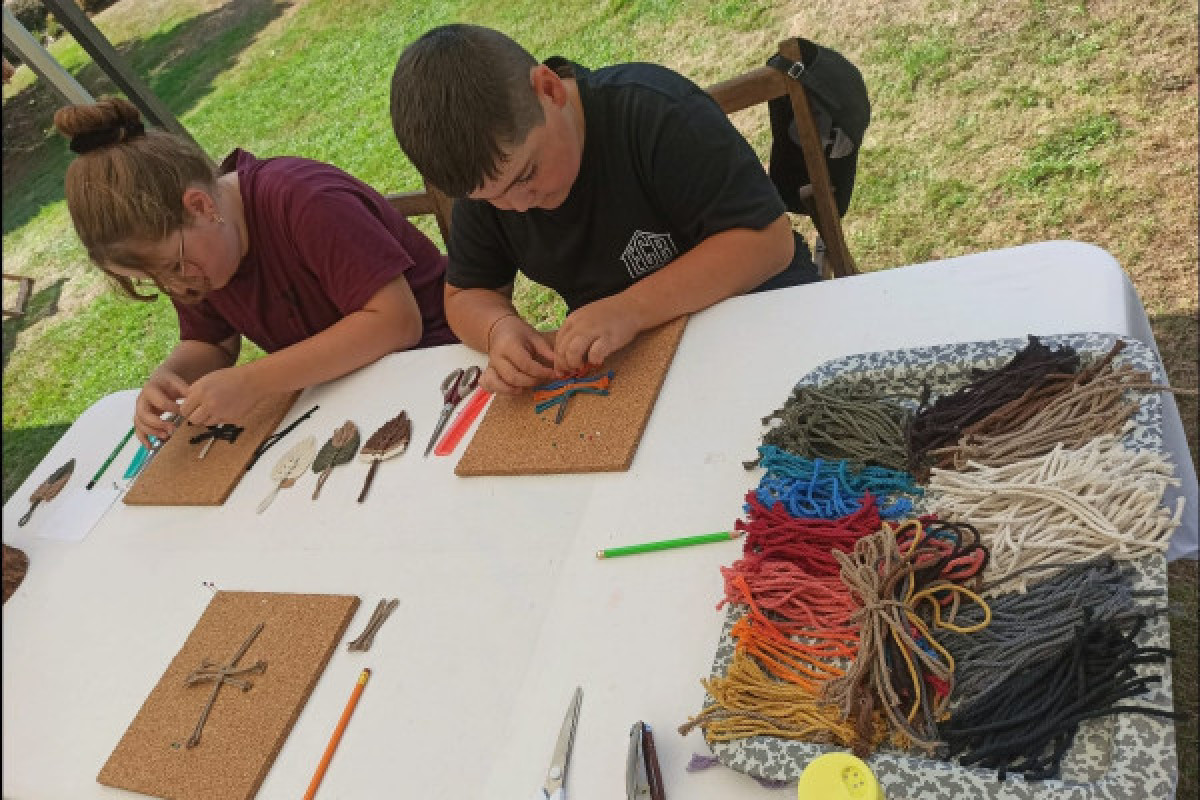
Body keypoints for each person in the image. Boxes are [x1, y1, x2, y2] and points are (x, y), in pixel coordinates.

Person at [389, 24, 818, 395]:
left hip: (760, 312)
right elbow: (466, 293)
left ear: (549, 90)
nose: (516, 205)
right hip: (645, 359)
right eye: (490, 199)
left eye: (526, 175)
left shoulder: (653, 113)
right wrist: (497, 327)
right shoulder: (493, 180)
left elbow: (767, 243)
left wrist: (630, 308)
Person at [54, 97, 456, 447]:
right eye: (155, 281)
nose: (176, 285)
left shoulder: (304, 201)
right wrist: (169, 377)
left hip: (439, 371)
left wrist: (253, 381)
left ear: (200, 206)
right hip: (347, 394)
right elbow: (212, 342)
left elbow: (396, 323)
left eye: (173, 266)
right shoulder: (202, 254)